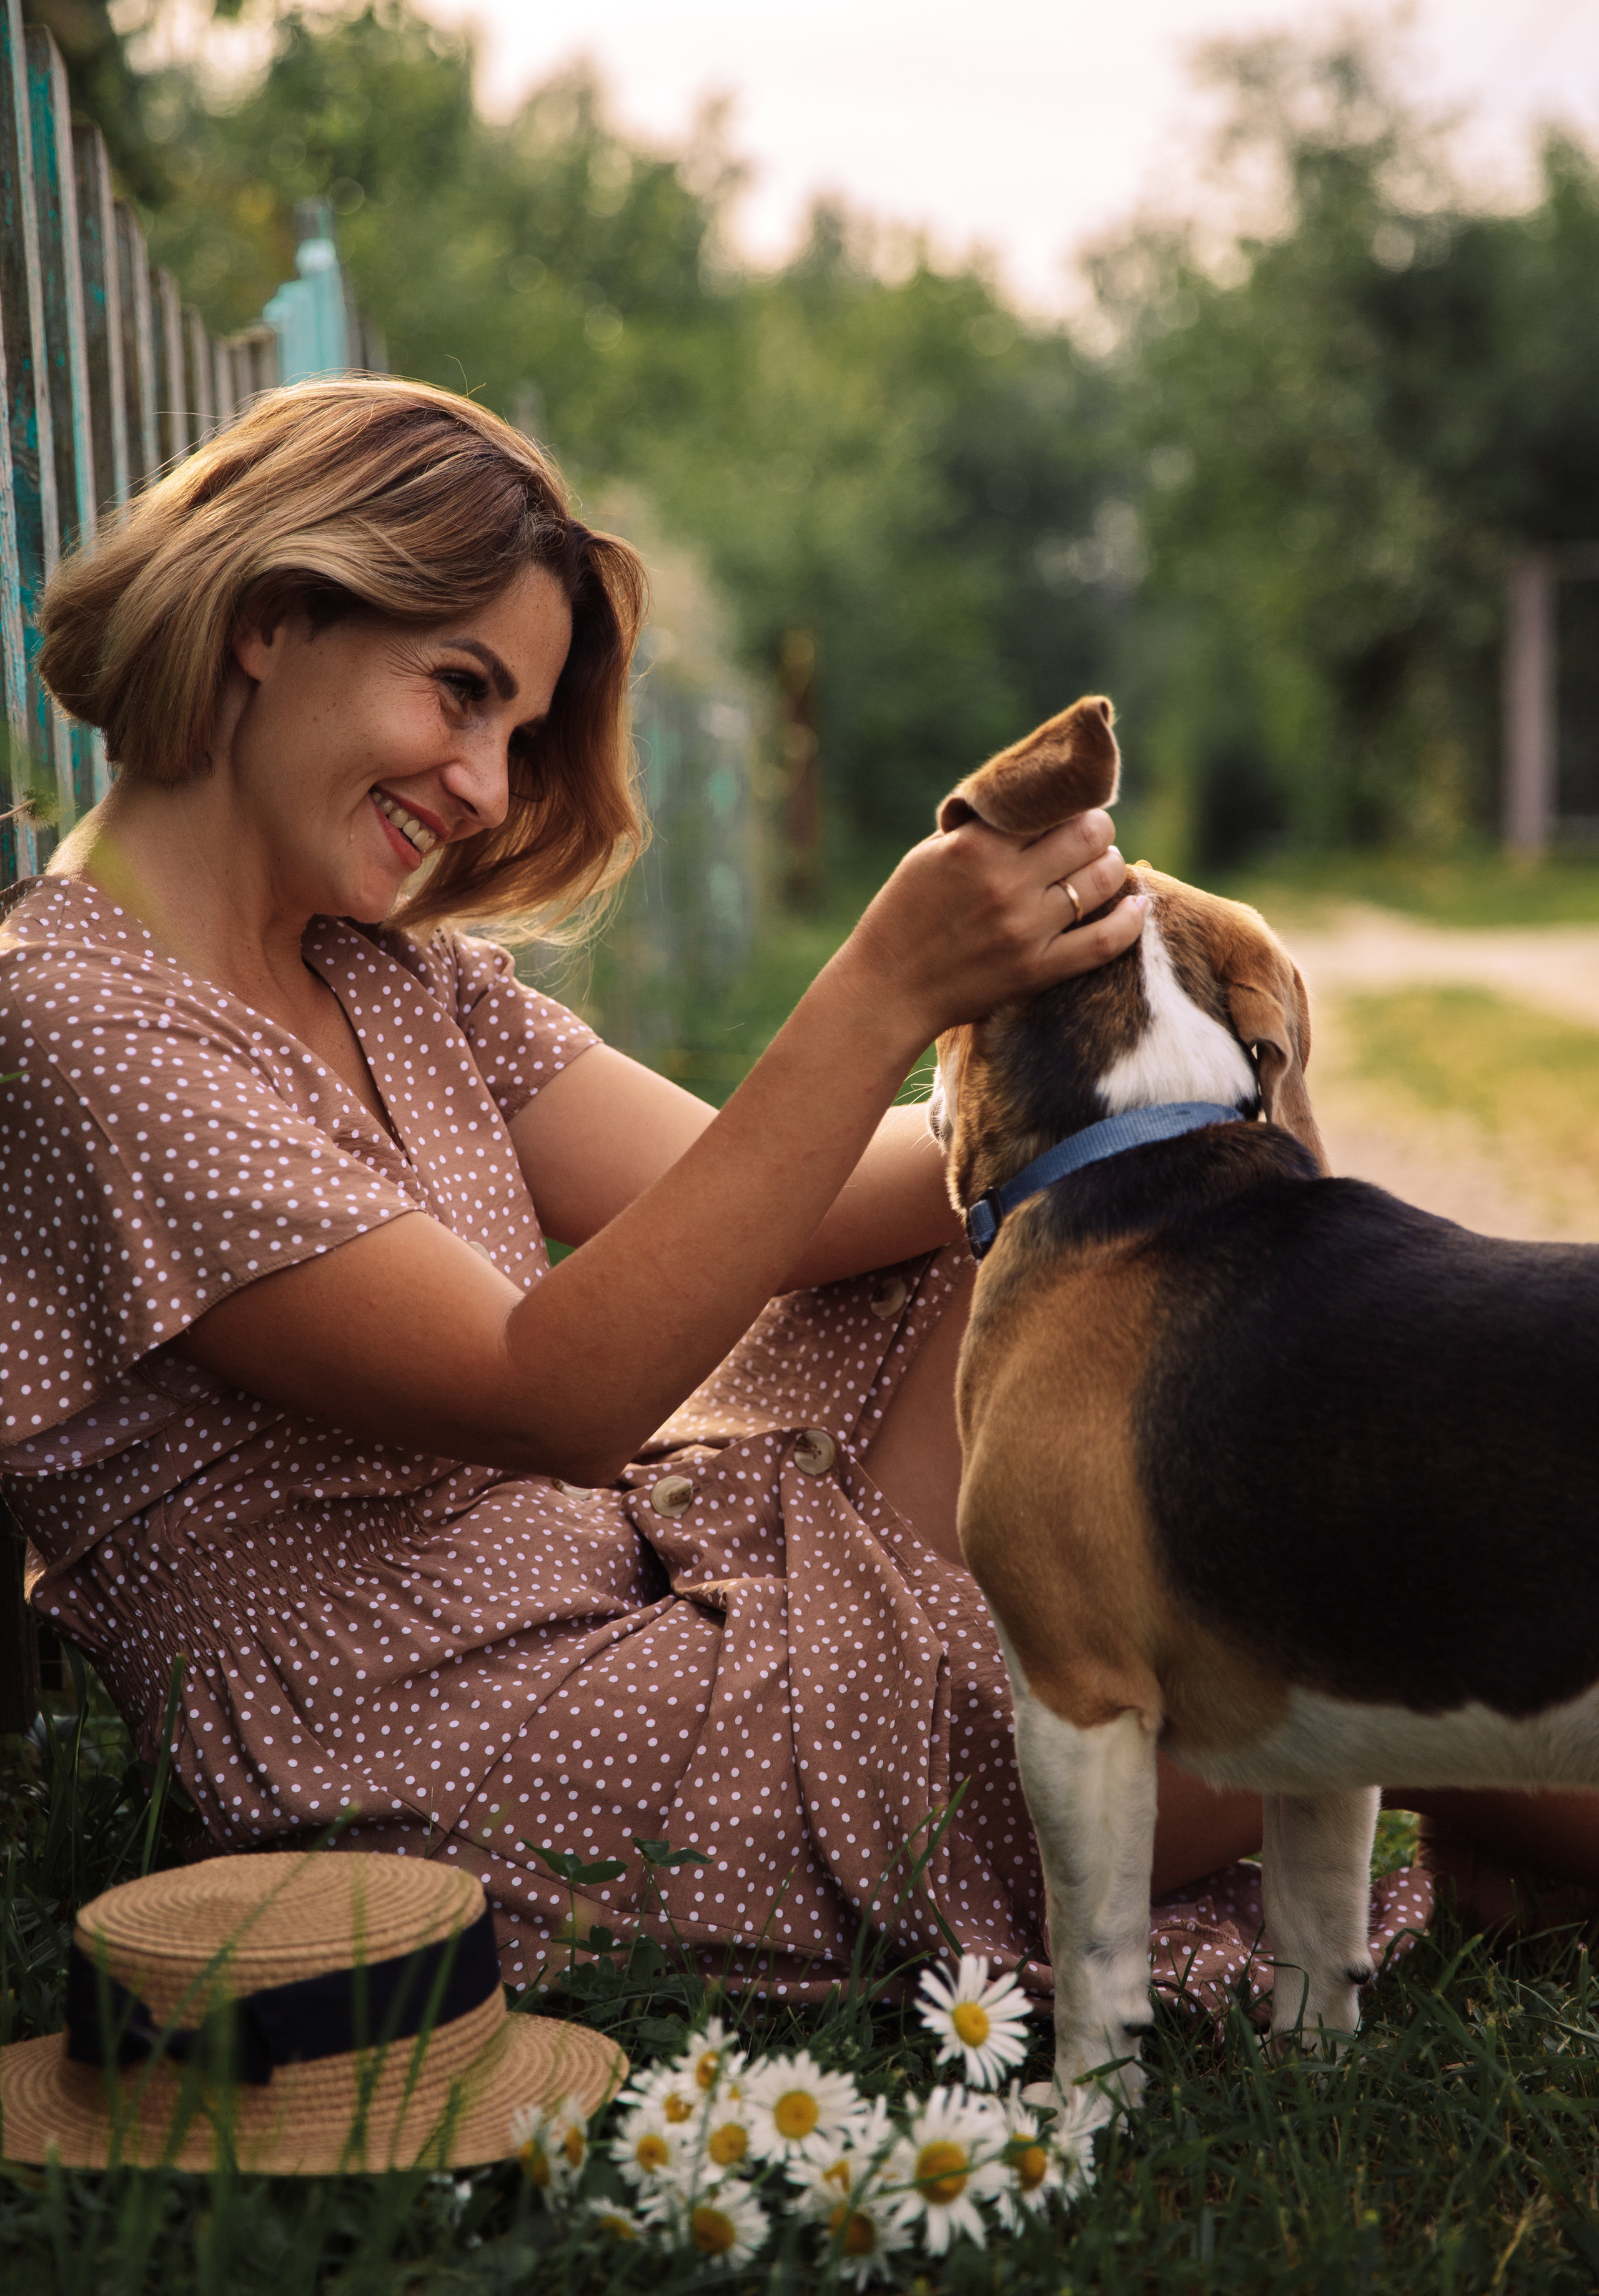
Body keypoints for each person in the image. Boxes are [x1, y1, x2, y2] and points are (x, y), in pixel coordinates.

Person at [2, 377, 1592, 2011]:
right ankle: (1473, 1736)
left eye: (517, 730)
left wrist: (1146, 1060)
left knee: (1069, 1237)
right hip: (465, 1748)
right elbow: (550, 1396)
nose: (483, 783)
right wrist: (883, 990)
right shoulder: (81, 1024)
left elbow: (791, 1203)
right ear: (271, 620)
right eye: (458, 692)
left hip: (620, 1589)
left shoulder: (379, 969)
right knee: (1248, 1579)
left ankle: (1425, 1690)